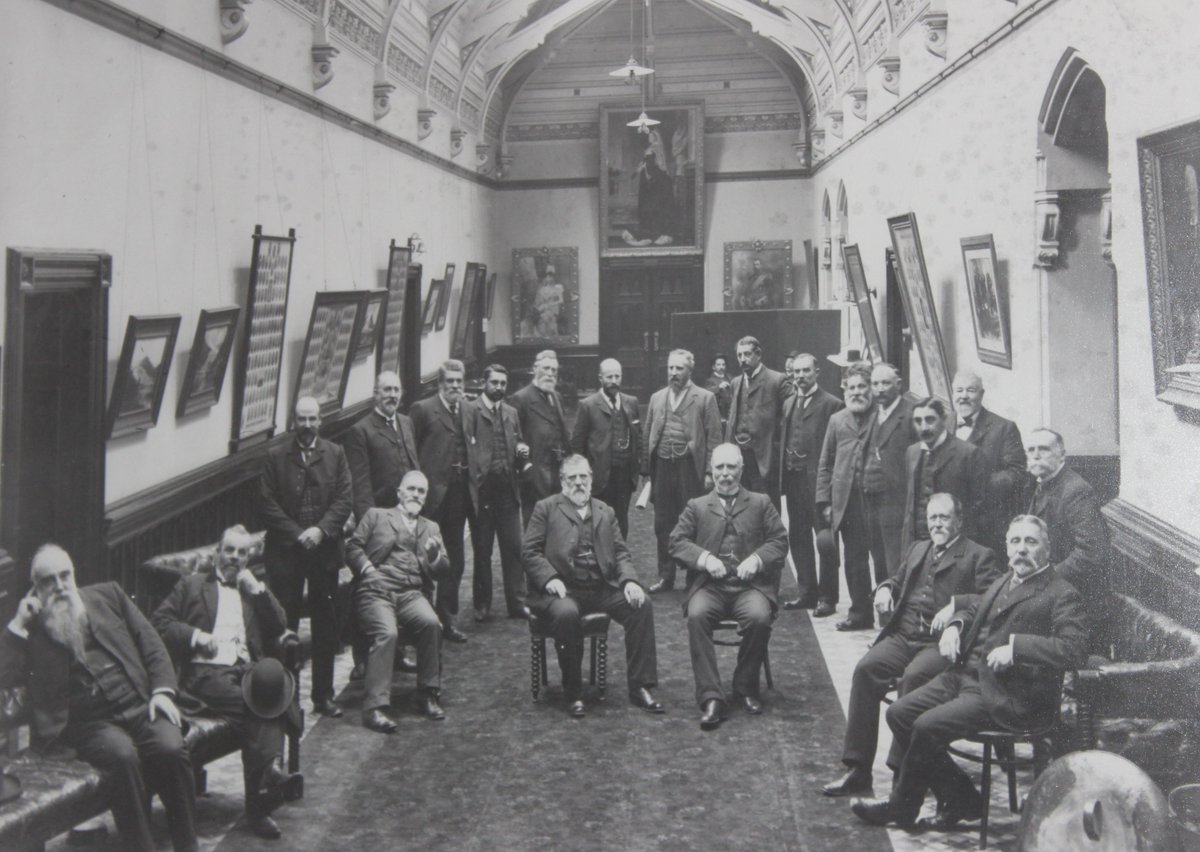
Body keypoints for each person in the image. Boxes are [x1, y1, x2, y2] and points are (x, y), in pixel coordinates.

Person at [851, 515, 1088, 831]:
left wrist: (1018, 650)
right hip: (964, 676)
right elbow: (976, 609)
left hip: (1008, 694)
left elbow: (1075, 649)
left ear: (1048, 548)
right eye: (1015, 541)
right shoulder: (1005, 579)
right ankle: (963, 797)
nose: (1022, 549)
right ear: (1006, 547)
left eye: (1031, 542)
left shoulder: (1061, 592)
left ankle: (901, 806)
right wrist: (955, 625)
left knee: (925, 726)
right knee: (898, 713)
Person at [0, 545, 198, 852]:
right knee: (122, 756)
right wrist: (16, 625)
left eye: (65, 575)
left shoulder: (109, 595)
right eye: (49, 580)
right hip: (89, 725)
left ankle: (188, 847)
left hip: (140, 702)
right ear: (36, 588)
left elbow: (151, 642)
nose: (60, 585)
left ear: (74, 575)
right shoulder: (33, 626)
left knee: (171, 748)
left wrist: (162, 692)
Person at [820, 494, 1001, 798]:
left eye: (944, 518)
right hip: (904, 637)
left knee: (913, 679)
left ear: (959, 521)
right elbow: (897, 579)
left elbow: (992, 598)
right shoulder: (919, 549)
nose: (937, 524)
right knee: (866, 670)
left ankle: (901, 776)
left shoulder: (978, 555)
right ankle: (858, 770)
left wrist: (956, 609)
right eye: (932, 518)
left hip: (938, 644)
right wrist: (886, 589)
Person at [151, 525, 302, 840]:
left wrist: (258, 591)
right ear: (217, 552)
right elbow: (159, 624)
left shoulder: (251, 589)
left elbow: (280, 624)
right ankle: (263, 795)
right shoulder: (190, 585)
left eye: (242, 552)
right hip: (207, 675)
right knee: (265, 706)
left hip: (245, 669)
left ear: (248, 558)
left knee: (268, 695)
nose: (234, 557)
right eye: (229, 550)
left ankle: (267, 777)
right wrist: (195, 636)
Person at [522, 455, 662, 718]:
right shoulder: (546, 508)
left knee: (642, 605)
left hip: (601, 588)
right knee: (566, 614)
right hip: (563, 589)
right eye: (572, 478)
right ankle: (573, 692)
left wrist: (630, 581)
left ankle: (640, 686)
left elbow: (620, 552)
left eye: (583, 477)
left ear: (591, 479)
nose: (578, 483)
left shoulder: (605, 511)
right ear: (562, 481)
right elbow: (529, 552)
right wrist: (550, 578)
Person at [670, 444, 788, 730]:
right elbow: (676, 541)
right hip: (710, 587)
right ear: (711, 470)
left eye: (731, 467)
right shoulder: (696, 506)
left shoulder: (760, 502)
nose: (725, 474)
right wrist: (704, 558)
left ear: (741, 470)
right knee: (697, 616)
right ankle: (711, 697)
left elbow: (780, 541)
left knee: (759, 618)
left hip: (750, 588)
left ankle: (745, 686)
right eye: (719, 467)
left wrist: (758, 560)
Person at [260, 396, 353, 718]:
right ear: (293, 421)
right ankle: (288, 700)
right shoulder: (275, 457)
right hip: (287, 553)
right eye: (302, 419)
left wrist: (321, 531)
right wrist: (298, 533)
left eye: (313, 419)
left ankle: (323, 696)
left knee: (325, 626)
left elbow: (344, 499)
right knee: (286, 626)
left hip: (324, 552)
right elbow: (267, 504)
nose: (308, 426)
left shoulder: (336, 454)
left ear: (320, 421)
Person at [345, 471, 450, 730]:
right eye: (411, 489)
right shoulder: (376, 516)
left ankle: (427, 694)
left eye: (421, 491)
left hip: (411, 593)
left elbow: (443, 569)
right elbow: (353, 547)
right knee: (388, 633)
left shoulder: (431, 528)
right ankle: (375, 708)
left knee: (432, 624)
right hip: (377, 590)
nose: (415, 494)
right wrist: (368, 569)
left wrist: (435, 557)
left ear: (425, 498)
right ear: (399, 492)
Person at [642, 349, 722, 593]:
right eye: (671, 368)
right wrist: (646, 470)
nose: (674, 373)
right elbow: (647, 434)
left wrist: (710, 472)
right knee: (662, 522)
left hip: (690, 469)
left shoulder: (705, 398)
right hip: (663, 468)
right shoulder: (657, 398)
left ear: (690, 370)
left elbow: (715, 438)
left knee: (692, 522)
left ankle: (694, 577)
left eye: (679, 368)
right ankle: (666, 576)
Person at [1025, 428, 1111, 633]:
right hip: (1052, 591)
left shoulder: (1075, 490)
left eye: (1043, 449)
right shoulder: (1042, 484)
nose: (1035, 455)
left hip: (1077, 600)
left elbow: (1091, 553)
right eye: (1030, 450)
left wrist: (1044, 579)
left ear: (1062, 454)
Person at [410, 359, 473, 641]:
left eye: (459, 382)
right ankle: (423, 623)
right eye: (450, 382)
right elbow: (411, 453)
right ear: (439, 384)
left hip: (459, 495)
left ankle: (446, 619)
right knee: (424, 559)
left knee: (455, 559)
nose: (455, 387)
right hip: (432, 498)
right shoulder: (422, 410)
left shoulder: (467, 410)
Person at [779, 354, 844, 610]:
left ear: (817, 372)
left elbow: (836, 452)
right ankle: (807, 593)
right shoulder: (788, 403)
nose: (801, 376)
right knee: (799, 537)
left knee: (825, 541)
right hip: (794, 481)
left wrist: (829, 491)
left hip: (819, 485)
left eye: (806, 371)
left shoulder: (832, 405)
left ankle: (828, 598)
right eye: (796, 372)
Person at [462, 364, 527, 621]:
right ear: (484, 383)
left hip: (508, 490)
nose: (499, 387)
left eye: (503, 383)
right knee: (483, 549)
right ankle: (482, 603)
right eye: (494, 383)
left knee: (513, 547)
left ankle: (517, 603)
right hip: (483, 491)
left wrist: (522, 450)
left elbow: (519, 440)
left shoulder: (511, 412)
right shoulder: (471, 411)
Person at [814, 362, 876, 629]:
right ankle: (860, 613)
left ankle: (891, 615)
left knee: (884, 561)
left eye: (862, 386)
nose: (856, 392)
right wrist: (825, 501)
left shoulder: (880, 417)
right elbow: (825, 463)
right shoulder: (837, 420)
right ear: (844, 390)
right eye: (851, 387)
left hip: (877, 502)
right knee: (855, 560)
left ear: (871, 388)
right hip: (848, 503)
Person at [900, 397, 989, 558]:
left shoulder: (968, 453)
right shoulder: (911, 452)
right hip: (917, 545)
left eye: (930, 420)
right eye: (918, 421)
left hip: (954, 546)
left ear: (944, 420)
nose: (924, 427)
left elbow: (979, 507)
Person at [952, 371, 1026, 554]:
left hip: (987, 525)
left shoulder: (1004, 428)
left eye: (970, 390)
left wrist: (979, 486)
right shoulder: (943, 424)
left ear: (982, 394)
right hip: (951, 522)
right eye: (959, 390)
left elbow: (1017, 472)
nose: (963, 396)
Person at [571, 358, 642, 538]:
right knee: (599, 522)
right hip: (600, 476)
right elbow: (577, 444)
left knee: (621, 522)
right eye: (609, 376)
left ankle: (619, 561)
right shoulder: (587, 405)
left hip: (624, 475)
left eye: (617, 376)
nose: (613, 381)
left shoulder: (631, 403)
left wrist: (637, 469)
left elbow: (638, 437)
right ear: (600, 378)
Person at [861, 363, 916, 583]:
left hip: (897, 504)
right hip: (873, 502)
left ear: (899, 385)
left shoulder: (911, 415)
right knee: (879, 562)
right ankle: (883, 612)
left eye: (885, 383)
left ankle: (895, 615)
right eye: (875, 384)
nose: (880, 389)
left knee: (896, 565)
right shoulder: (875, 413)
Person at [343, 371, 419, 523]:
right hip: (382, 516)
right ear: (375, 394)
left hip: (410, 512)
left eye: (396, 390)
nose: (393, 395)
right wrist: (371, 523)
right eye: (387, 389)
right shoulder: (360, 431)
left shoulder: (406, 422)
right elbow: (361, 486)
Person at [512, 350, 572, 528]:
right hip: (535, 475)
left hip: (557, 472)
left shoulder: (556, 396)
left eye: (554, 370)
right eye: (546, 368)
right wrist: (527, 467)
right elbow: (514, 438)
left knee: (558, 525)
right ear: (534, 369)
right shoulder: (521, 399)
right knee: (536, 527)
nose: (550, 374)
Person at [725, 336, 789, 503]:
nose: (742, 359)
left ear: (758, 354)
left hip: (765, 458)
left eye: (747, 354)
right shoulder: (735, 383)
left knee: (767, 506)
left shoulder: (777, 380)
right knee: (742, 504)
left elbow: (788, 418)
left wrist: (774, 445)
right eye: (739, 355)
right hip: (740, 456)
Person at [702, 353, 733, 428]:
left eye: (723, 365)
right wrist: (718, 387)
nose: (721, 367)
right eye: (718, 365)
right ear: (713, 367)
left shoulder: (730, 378)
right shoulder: (710, 381)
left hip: (730, 414)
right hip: (718, 416)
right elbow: (705, 394)